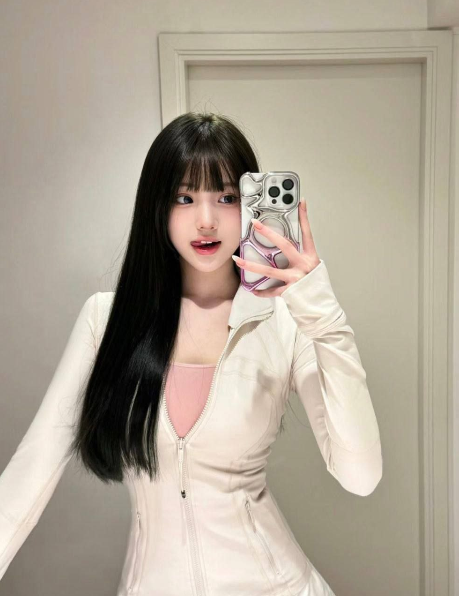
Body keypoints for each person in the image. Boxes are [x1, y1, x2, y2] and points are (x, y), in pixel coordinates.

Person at [0, 112, 383, 595]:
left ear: (250, 203)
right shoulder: (106, 321)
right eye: (185, 197)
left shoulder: (288, 320)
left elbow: (360, 475)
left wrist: (323, 316)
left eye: (225, 197)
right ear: (157, 206)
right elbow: (30, 473)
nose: (206, 219)